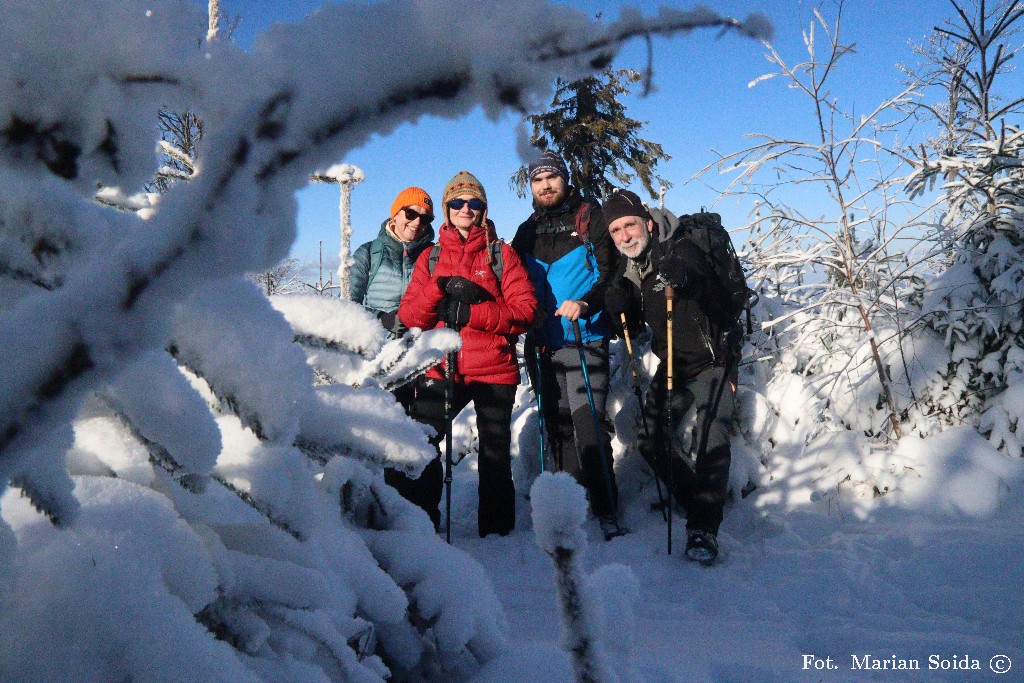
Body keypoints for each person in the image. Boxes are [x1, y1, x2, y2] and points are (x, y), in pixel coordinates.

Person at [397, 171, 537, 537]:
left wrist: (473, 313)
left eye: (474, 203)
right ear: (446, 209)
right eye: (457, 203)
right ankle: (418, 525)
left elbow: (524, 311)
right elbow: (411, 316)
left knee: (495, 454)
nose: (466, 209)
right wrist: (439, 290)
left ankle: (496, 533)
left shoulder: (500, 254)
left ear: (484, 209)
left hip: (494, 370)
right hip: (444, 368)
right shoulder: (430, 257)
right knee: (421, 441)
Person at [602, 190, 736, 565]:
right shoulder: (630, 267)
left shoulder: (679, 244)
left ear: (646, 222)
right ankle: (701, 503)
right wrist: (618, 308)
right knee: (648, 437)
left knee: (713, 434)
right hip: (673, 365)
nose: (626, 235)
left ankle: (703, 530)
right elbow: (626, 321)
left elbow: (693, 267)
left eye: (630, 224)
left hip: (714, 359)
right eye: (616, 230)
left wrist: (681, 273)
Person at [511, 151, 623, 539]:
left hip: (584, 338)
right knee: (556, 430)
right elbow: (514, 282)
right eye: (538, 180)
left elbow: (612, 272)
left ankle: (608, 509)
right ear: (531, 186)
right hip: (543, 344)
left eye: (552, 178)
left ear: (564, 179)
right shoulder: (527, 231)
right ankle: (572, 507)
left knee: (587, 426)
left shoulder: (589, 217)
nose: (545, 186)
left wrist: (587, 303)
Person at [349, 186, 435, 411]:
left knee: (423, 434)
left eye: (425, 218)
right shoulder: (368, 253)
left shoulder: (434, 256)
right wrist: (381, 318)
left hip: (422, 360)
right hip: (380, 360)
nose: (417, 222)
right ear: (395, 214)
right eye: (410, 214)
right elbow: (348, 304)